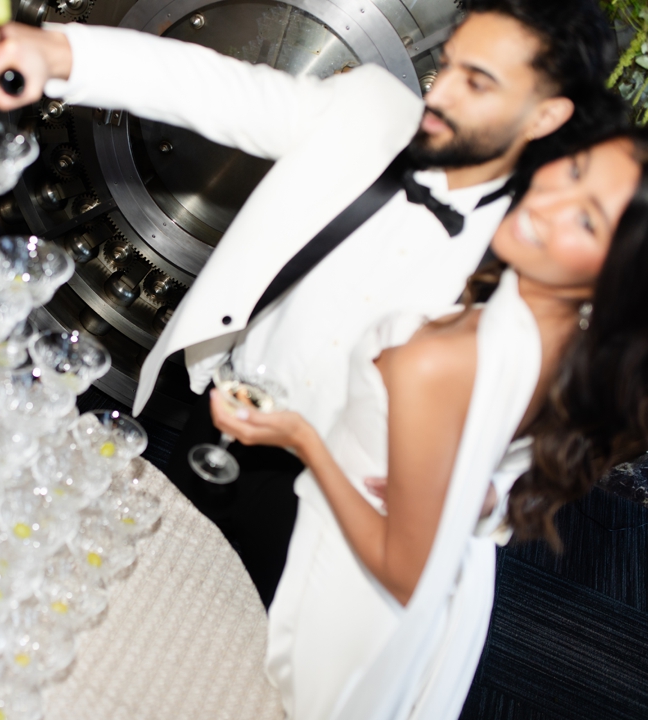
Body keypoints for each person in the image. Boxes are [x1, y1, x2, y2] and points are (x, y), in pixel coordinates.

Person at [0, 0, 623, 605]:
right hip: (223, 421)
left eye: (477, 83)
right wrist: (56, 53)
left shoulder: (539, 246)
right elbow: (213, 87)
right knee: (146, 598)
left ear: (546, 115)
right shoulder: (370, 111)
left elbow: (545, 410)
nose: (440, 92)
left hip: (350, 507)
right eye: (448, 64)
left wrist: (486, 499)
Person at [208, 131, 648, 719]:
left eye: (589, 222)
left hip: (356, 594)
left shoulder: (442, 359)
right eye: (574, 170)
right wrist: (477, 490)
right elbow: (515, 455)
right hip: (453, 592)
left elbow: (404, 577)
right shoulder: (568, 344)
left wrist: (304, 440)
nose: (548, 203)